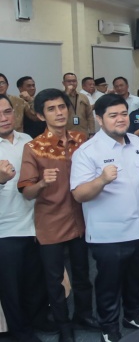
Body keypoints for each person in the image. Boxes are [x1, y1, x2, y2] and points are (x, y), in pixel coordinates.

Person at [17, 89, 97, 342]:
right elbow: (27, 192)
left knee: (84, 274)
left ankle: (83, 314)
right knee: (54, 281)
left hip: (82, 219)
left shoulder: (82, 139)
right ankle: (64, 327)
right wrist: (41, 183)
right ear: (41, 115)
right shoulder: (34, 147)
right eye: (51, 109)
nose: (59, 112)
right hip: (50, 222)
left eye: (62, 107)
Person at [70, 94, 139, 342]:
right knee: (108, 285)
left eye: (123, 114)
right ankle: (109, 326)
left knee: (136, 279)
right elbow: (79, 194)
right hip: (108, 233)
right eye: (113, 115)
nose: (120, 119)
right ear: (99, 118)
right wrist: (102, 179)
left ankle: (133, 314)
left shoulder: (137, 142)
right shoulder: (88, 151)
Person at [0, 94, 52, 342]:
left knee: (36, 279)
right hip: (5, 229)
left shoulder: (27, 140)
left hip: (34, 222)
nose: (3, 118)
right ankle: (20, 332)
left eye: (7, 111)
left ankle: (38, 319)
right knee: (11, 286)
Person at [62, 73, 95, 137]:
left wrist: (92, 132)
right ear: (63, 83)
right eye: (69, 81)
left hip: (83, 133)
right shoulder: (60, 97)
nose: (72, 83)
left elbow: (90, 116)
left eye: (74, 81)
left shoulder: (83, 97)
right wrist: (67, 93)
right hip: (66, 134)